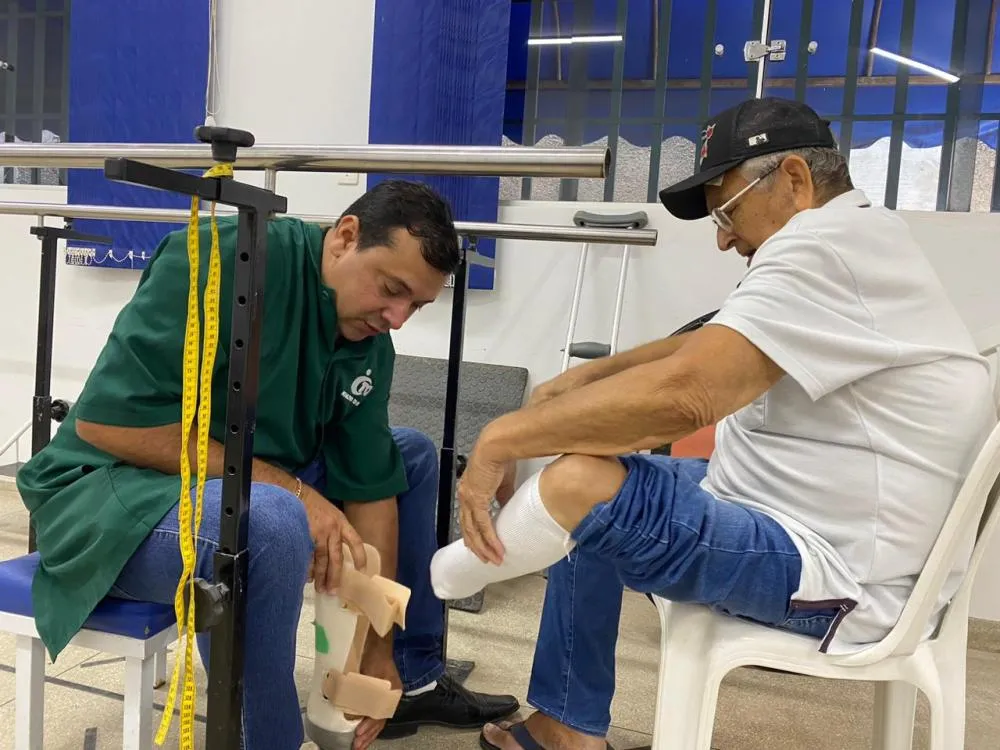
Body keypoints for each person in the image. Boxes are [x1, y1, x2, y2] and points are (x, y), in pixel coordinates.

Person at [429, 98, 997, 750]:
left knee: (581, 485)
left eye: (727, 210)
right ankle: (565, 723)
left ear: (794, 179)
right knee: (592, 466)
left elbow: (690, 393)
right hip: (808, 522)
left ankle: (454, 579)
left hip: (838, 574)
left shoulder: (823, 249)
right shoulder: (854, 239)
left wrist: (501, 437)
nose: (724, 237)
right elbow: (715, 341)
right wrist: (591, 378)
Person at [15, 179, 519, 750]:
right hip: (112, 494)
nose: (398, 317)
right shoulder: (223, 260)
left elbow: (371, 483)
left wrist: (375, 649)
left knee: (410, 454)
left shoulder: (368, 334)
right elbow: (109, 426)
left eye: (416, 305)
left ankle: (407, 676)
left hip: (232, 481)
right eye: (390, 289)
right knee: (273, 518)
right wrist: (301, 497)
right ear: (345, 238)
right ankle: (268, 739)